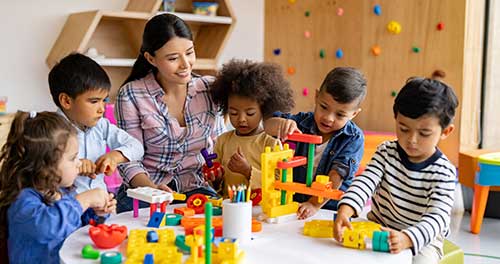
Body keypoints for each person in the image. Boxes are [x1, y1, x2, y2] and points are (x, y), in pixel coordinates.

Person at [334, 77, 458, 264]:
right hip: (377, 226)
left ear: (445, 132)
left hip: (422, 239)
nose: (412, 140)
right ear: (396, 119)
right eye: (403, 128)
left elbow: (437, 217)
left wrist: (408, 238)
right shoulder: (386, 152)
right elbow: (366, 182)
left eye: (424, 133)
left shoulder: (443, 172)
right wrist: (346, 210)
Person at [115, 13, 225, 212]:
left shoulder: (210, 89)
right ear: (151, 58)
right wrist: (152, 190)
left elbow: (220, 145)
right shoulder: (131, 94)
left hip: (196, 188)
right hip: (146, 190)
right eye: (173, 58)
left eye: (189, 52)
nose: (185, 64)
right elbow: (128, 159)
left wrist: (217, 171)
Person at [0, 111, 116, 264]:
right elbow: (47, 227)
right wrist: (83, 201)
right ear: (46, 165)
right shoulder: (23, 200)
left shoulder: (61, 192)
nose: (79, 163)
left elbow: (74, 225)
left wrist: (96, 213)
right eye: (72, 158)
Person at [264, 67, 367, 219]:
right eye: (324, 107)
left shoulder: (353, 138)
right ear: (316, 96)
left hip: (328, 207)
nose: (328, 118)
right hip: (295, 201)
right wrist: (281, 124)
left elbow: (336, 176)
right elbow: (267, 125)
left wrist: (314, 204)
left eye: (340, 114)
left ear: (354, 114)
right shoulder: (302, 121)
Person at [48, 53, 144, 198]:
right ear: (66, 101)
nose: (102, 109)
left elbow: (137, 147)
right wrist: (76, 165)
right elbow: (41, 172)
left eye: (104, 100)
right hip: (67, 209)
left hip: (101, 205)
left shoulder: (101, 125)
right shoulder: (50, 131)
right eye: (94, 101)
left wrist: (114, 157)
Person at [208, 59, 294, 196]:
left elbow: (279, 184)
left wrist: (248, 171)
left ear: (264, 110)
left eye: (250, 113)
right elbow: (218, 184)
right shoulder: (222, 141)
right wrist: (216, 178)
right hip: (228, 206)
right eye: (233, 113)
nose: (241, 119)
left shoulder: (271, 143)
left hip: (260, 209)